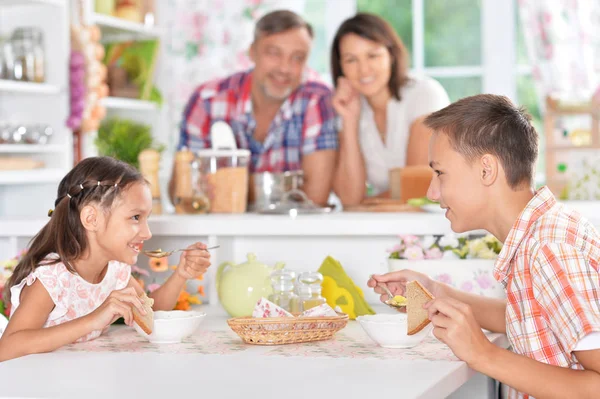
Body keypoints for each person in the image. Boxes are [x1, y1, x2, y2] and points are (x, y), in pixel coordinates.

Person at [368, 94, 600, 398]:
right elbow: (530, 318)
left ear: (486, 170)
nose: (432, 192)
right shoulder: (539, 235)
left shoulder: (549, 249)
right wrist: (434, 293)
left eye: (439, 172)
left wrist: (483, 354)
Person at [0, 157, 211, 362]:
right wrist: (93, 320)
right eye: (136, 217)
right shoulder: (51, 279)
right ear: (91, 219)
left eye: (147, 219)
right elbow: (7, 348)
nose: (147, 233)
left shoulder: (115, 270)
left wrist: (181, 273)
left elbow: (150, 313)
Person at [171, 10, 338, 206]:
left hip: (294, 234)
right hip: (220, 231)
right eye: (274, 53)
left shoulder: (317, 100)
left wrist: (226, 184)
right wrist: (281, 189)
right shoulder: (207, 100)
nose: (285, 68)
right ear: (252, 52)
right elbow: (182, 193)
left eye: (298, 58)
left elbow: (315, 197)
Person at [330, 13, 450, 205]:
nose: (363, 69)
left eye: (372, 55)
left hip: (435, 220)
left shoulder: (424, 94)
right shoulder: (348, 109)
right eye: (351, 60)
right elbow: (349, 198)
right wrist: (349, 122)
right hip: (387, 223)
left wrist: (368, 202)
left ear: (391, 55)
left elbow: (418, 187)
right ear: (341, 67)